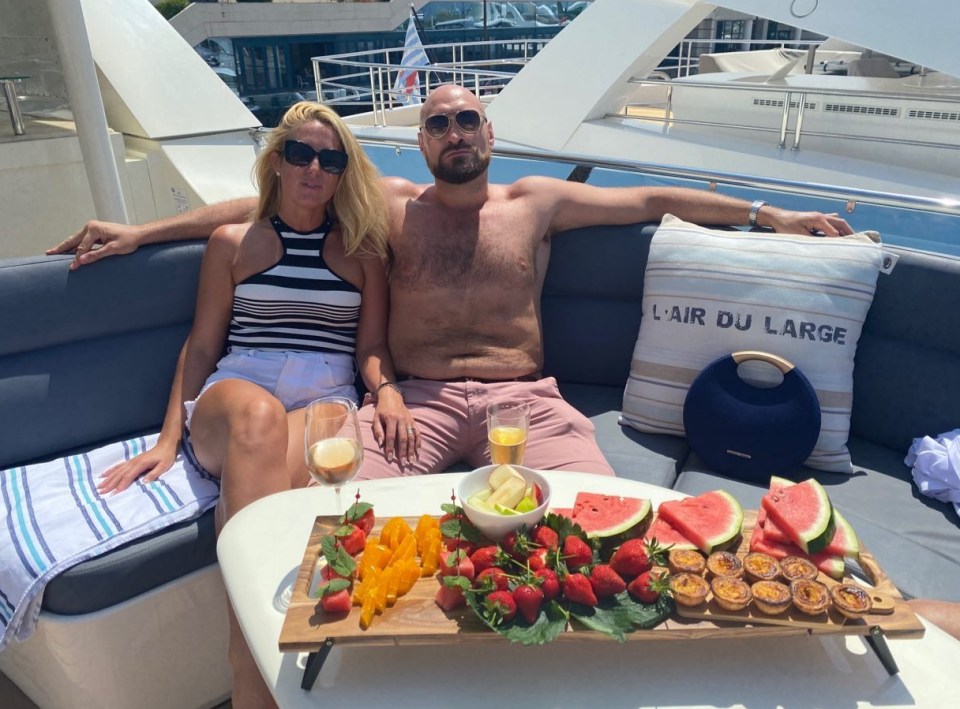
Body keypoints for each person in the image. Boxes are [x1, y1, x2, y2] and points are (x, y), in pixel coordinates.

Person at [51, 84, 854, 479]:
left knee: (603, 522)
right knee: (344, 529)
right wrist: (142, 232)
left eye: (467, 119)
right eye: (437, 123)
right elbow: (263, 203)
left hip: (527, 401)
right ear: (422, 143)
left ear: (490, 132)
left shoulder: (536, 203)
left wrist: (764, 213)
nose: (454, 132)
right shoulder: (392, 207)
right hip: (414, 406)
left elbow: (648, 197)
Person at [93, 101, 414, 708]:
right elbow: (204, 344)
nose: (314, 168)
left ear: (344, 172)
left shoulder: (364, 253)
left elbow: (370, 346)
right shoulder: (232, 242)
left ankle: (254, 668)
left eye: (330, 158)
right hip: (238, 390)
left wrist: (388, 390)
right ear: (277, 162)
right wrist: (168, 438)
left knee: (270, 491)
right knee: (259, 422)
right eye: (300, 154)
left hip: (326, 397)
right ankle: (258, 659)